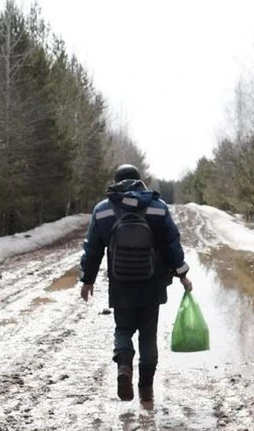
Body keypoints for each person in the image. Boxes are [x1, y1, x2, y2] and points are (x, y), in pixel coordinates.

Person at [79, 164, 192, 403]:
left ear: (116, 181)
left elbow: (93, 249)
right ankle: (146, 390)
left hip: (121, 283)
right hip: (153, 283)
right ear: (140, 181)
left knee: (123, 329)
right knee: (148, 336)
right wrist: (182, 274)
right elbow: (172, 244)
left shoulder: (102, 210)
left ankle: (123, 367)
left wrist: (87, 280)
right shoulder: (157, 207)